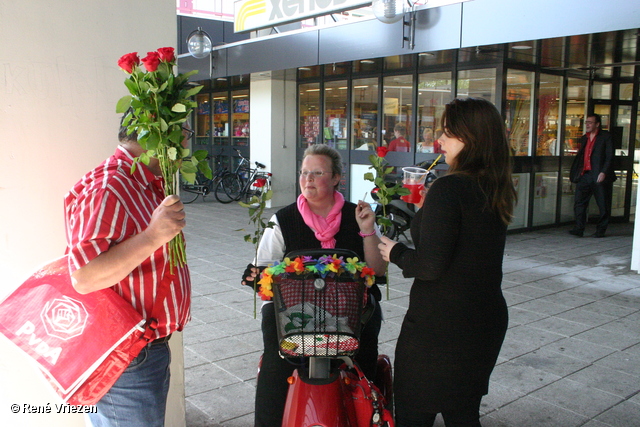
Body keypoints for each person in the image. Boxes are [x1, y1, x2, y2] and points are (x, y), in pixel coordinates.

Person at [378, 98, 516, 427]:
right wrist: (430, 208)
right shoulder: (494, 186)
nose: (439, 140)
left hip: (440, 328)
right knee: (462, 412)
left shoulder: (450, 188)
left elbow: (429, 266)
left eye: (448, 133)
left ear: (471, 138)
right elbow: (466, 244)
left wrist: (393, 251)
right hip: (483, 321)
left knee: (414, 412)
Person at [242, 144, 387, 427]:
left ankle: (368, 415)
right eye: (304, 172)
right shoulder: (282, 219)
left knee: (363, 359)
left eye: (317, 172)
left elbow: (378, 270)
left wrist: (367, 229)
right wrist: (258, 277)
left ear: (335, 178)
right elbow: (266, 273)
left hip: (350, 308)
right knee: (276, 358)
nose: (308, 179)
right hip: (291, 311)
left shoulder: (357, 213)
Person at [64, 113, 192, 427]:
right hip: (127, 357)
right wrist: (153, 236)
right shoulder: (110, 187)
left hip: (144, 350)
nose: (189, 144)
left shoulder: (142, 182)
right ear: (156, 137)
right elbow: (84, 276)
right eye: (185, 132)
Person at [569, 113, 616, 238]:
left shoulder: (606, 137)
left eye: (590, 122)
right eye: (586, 122)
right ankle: (579, 228)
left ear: (597, 124)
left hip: (599, 175)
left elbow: (610, 156)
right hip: (585, 175)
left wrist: (604, 172)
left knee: (602, 204)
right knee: (579, 202)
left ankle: (601, 230)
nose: (587, 125)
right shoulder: (584, 138)